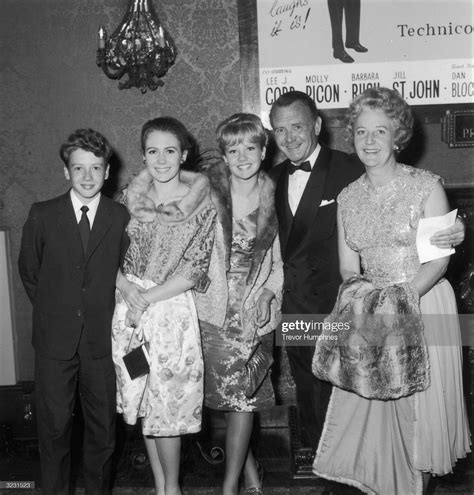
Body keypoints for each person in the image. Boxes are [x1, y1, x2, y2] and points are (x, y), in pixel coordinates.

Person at [268, 90, 466, 464]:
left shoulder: (356, 168)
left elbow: (432, 241)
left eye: (297, 125)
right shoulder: (274, 180)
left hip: (393, 305)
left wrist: (459, 230)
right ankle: (331, 475)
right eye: (280, 129)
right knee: (329, 404)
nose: (290, 136)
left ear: (316, 124)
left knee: (407, 420)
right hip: (321, 309)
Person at [18, 128, 131, 494]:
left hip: (100, 342)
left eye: (95, 168)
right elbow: (30, 272)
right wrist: (58, 312)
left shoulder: (120, 217)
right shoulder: (43, 214)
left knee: (102, 430)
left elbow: (124, 270)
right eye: (78, 168)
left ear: (108, 172)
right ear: (66, 171)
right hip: (54, 342)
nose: (87, 176)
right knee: (54, 430)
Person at [111, 117, 216, 495]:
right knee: (142, 402)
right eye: (152, 151)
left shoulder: (202, 204)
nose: (161, 159)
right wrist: (125, 287)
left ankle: (173, 489)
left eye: (169, 150)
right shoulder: (128, 198)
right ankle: (159, 486)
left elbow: (194, 268)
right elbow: (107, 255)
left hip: (171, 313)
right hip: (129, 311)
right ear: (142, 155)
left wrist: (146, 298)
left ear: (184, 154)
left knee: (168, 407)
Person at [195, 113, 283, 495]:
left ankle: (229, 487)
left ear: (264, 150)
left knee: (243, 399)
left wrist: (268, 293)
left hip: (254, 315)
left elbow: (285, 261)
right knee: (227, 402)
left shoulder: (279, 196)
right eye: (234, 149)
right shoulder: (205, 193)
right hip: (212, 311)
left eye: (251, 146)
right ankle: (249, 473)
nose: (243, 155)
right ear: (225, 156)